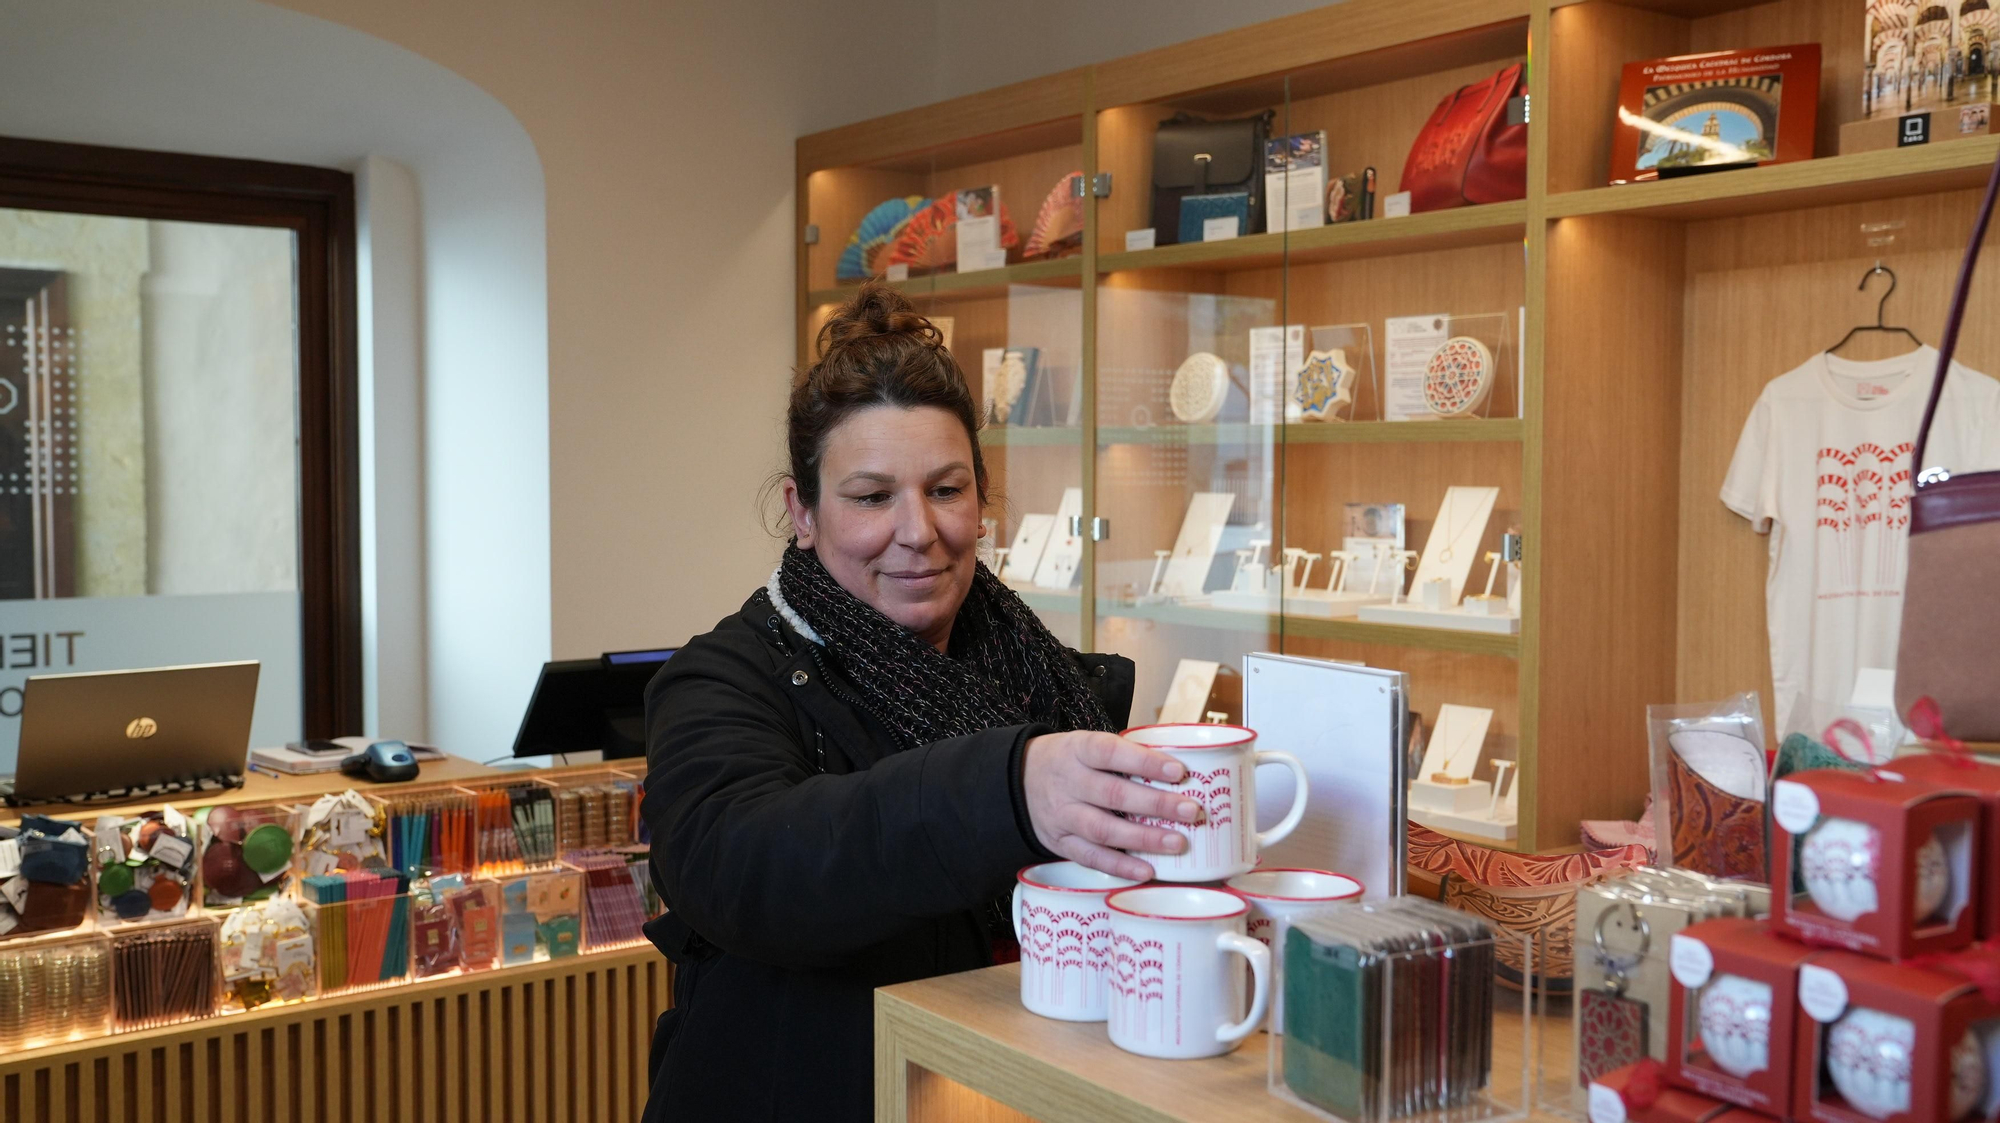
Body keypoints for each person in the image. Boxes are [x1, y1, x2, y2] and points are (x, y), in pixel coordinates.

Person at [639, 283, 1205, 1122]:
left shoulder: (1052, 681)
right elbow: (749, 866)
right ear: (802, 510)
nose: (919, 530)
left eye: (945, 489)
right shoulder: (721, 678)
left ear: (982, 495)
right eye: (872, 497)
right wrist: (1008, 789)